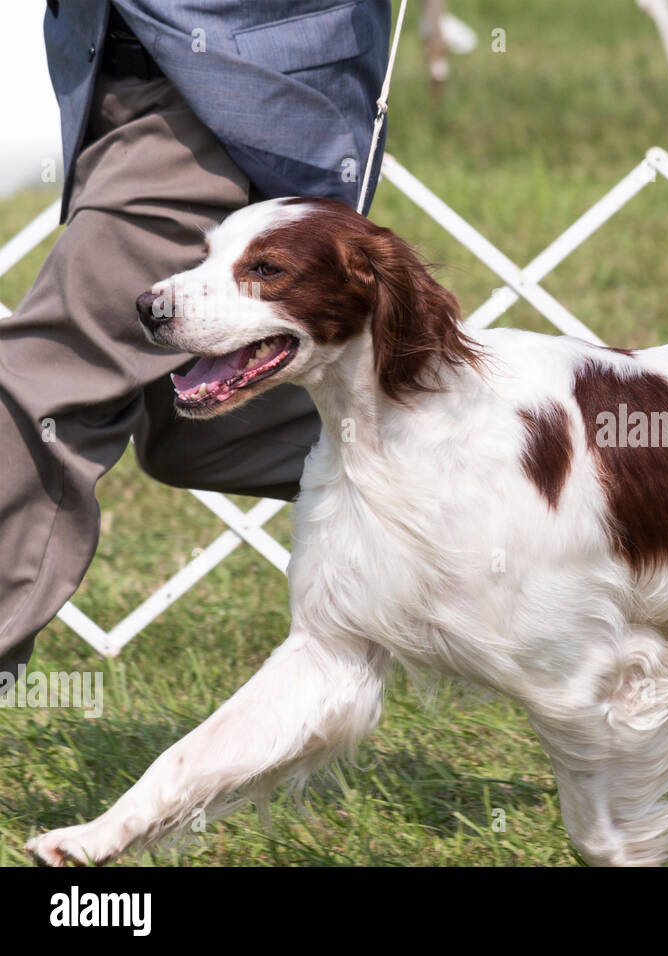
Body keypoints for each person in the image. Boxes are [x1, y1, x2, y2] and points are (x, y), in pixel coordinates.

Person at [0, 1, 391, 674]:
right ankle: (500, 484)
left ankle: (511, 474)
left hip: (234, 85)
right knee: (202, 436)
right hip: (110, 79)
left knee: (39, 392)